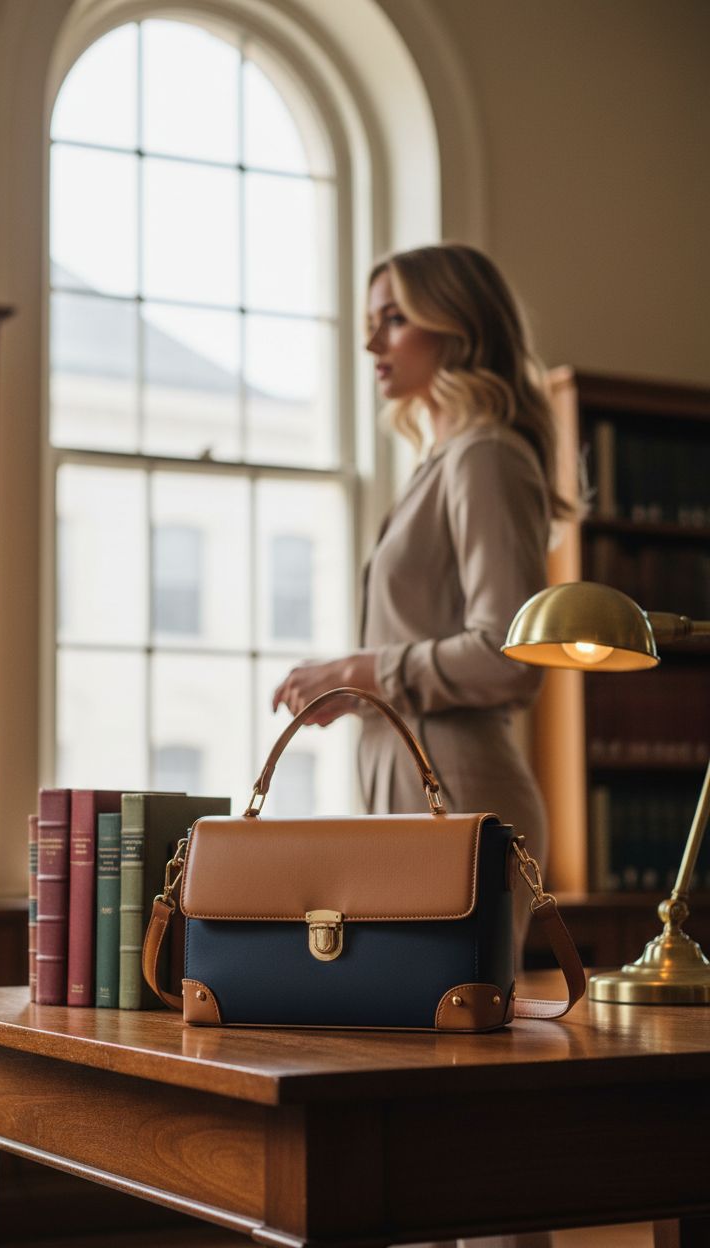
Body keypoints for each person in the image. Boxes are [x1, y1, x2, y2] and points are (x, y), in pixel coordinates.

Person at [273, 242, 572, 969]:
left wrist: (366, 670)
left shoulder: (485, 456)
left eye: (396, 318)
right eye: (373, 320)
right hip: (408, 788)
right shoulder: (440, 463)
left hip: (461, 796)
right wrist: (363, 685)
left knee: (448, 1040)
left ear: (458, 328)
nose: (372, 342)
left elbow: (511, 654)